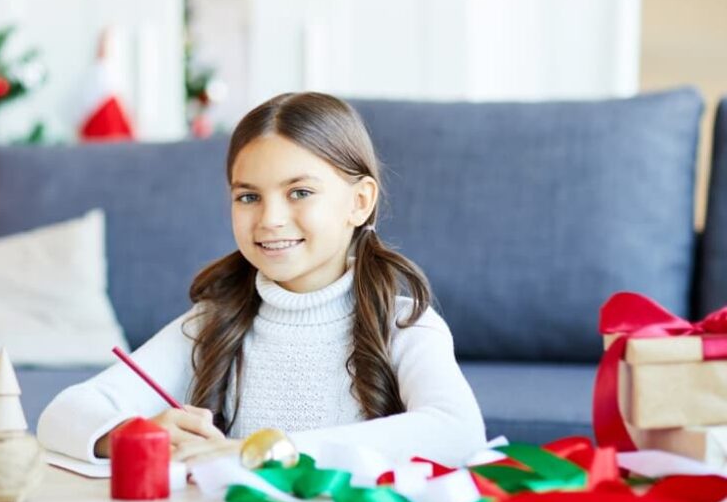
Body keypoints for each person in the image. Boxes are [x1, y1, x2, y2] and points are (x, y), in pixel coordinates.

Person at [38, 92, 486, 467]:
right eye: (248, 196)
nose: (270, 219)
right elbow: (62, 415)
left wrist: (255, 453)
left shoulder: (404, 326)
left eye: (300, 193)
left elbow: (458, 430)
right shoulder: (212, 325)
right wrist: (135, 435)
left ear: (360, 201)